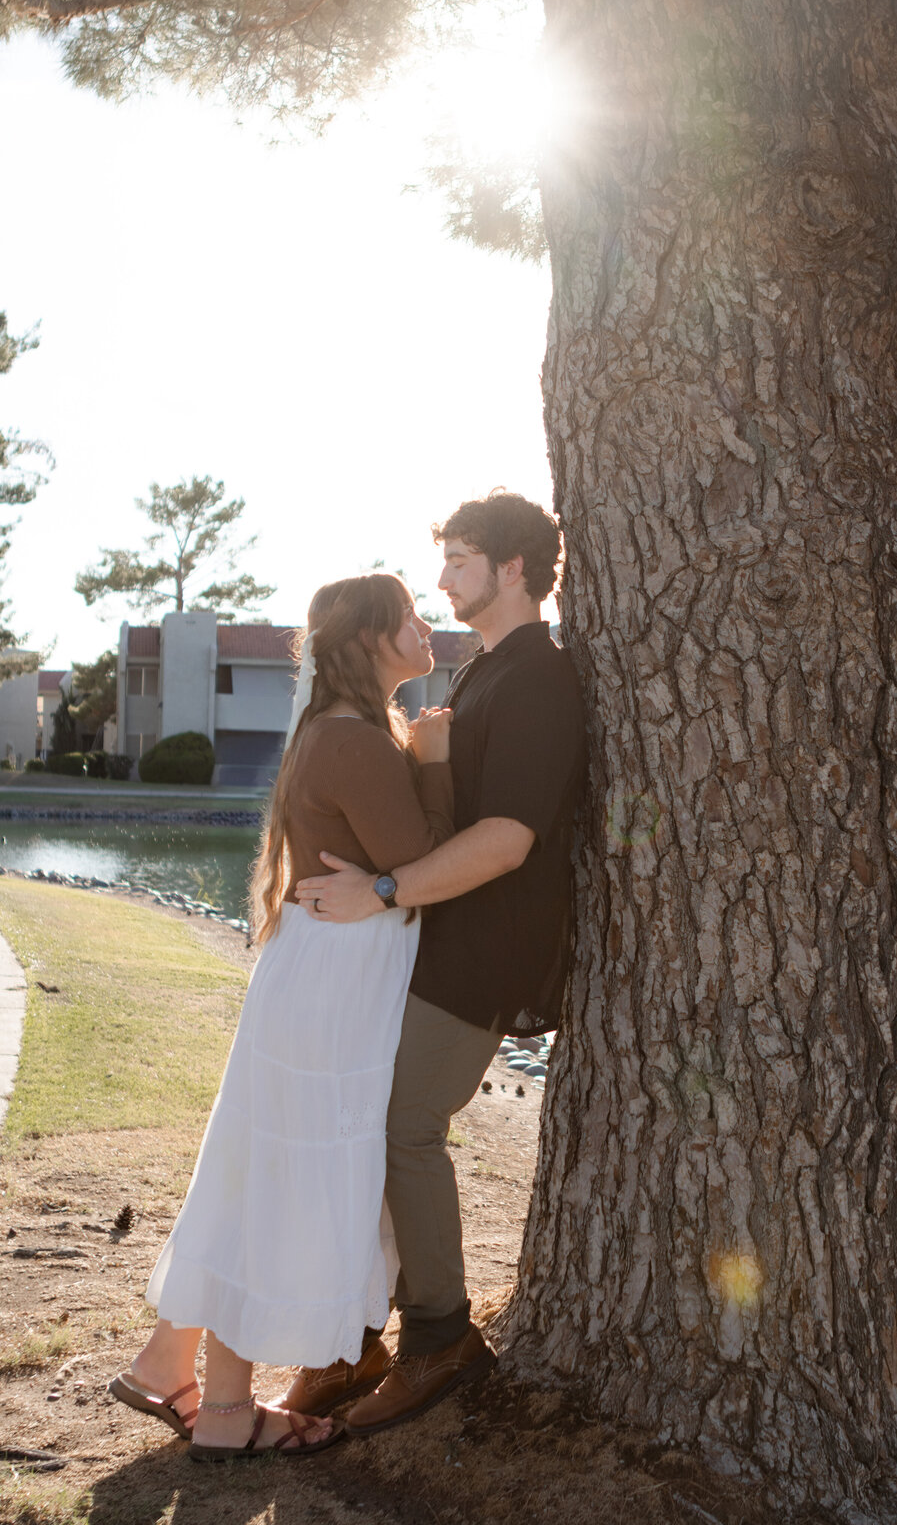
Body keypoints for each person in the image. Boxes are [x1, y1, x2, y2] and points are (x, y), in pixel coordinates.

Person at [108, 573, 455, 1462]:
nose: (427, 626)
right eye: (410, 617)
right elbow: (420, 864)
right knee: (284, 1183)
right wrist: (435, 762)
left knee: (261, 1174)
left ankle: (192, 1378)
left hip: (318, 981)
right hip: (334, 992)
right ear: (371, 640)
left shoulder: (337, 734)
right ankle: (209, 1397)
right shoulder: (359, 744)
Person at [289, 491, 586, 1436]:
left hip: (489, 951)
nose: (444, 576)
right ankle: (355, 1339)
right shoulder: (485, 668)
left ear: (512, 570)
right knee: (366, 1120)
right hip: (439, 941)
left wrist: (382, 892)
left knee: (402, 1123)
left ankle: (439, 1339)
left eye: (461, 559)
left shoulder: (539, 674)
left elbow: (506, 840)